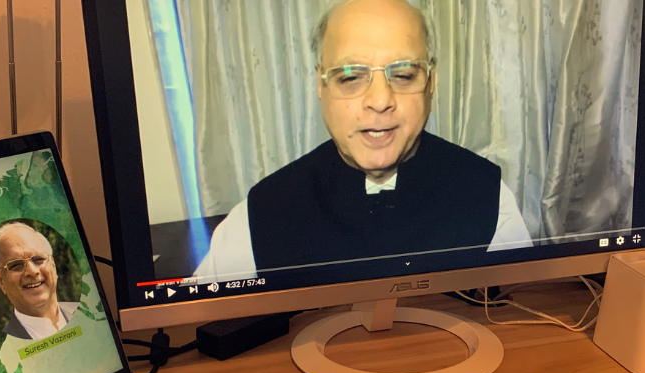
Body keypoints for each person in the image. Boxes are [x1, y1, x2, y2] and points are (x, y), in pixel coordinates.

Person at [194, 0, 531, 282]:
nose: (380, 100)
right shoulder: (261, 214)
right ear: (321, 85)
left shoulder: (487, 195)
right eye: (351, 77)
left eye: (403, 75)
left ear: (431, 82)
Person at [0, 222, 79, 340]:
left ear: (53, 265)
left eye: (38, 259)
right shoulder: (3, 346)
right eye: (16, 265)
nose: (32, 271)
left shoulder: (91, 313)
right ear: (1, 280)